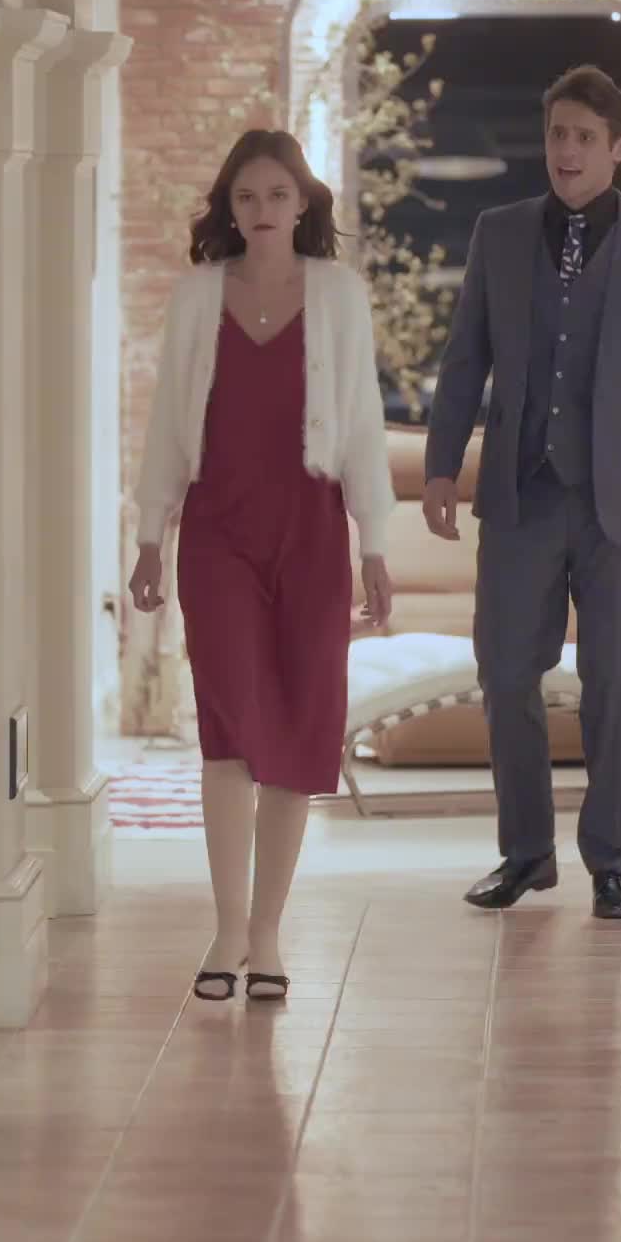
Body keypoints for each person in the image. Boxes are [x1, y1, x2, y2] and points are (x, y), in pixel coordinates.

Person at [423, 65, 621, 921]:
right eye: (557, 133)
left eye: (584, 137)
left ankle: (610, 863)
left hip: (619, 504)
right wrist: (443, 465)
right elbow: (464, 359)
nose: (566, 150)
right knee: (505, 674)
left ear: (618, 147)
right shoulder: (499, 233)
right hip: (520, 496)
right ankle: (526, 853)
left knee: (616, 684)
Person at [129, 129, 394, 999]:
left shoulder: (339, 295)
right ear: (230, 209)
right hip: (218, 535)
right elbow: (168, 423)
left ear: (303, 202)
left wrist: (375, 543)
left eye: (279, 194)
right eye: (247, 197)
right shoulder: (198, 295)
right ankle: (226, 929)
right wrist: (149, 535)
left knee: (300, 727)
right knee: (231, 726)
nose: (263, 210)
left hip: (312, 533)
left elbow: (363, 424)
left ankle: (269, 935)